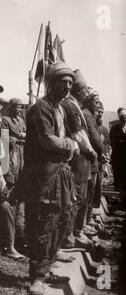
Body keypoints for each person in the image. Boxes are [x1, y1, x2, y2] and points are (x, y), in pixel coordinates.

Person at [24, 62, 79, 295]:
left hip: (61, 175)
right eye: (62, 82)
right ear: (51, 83)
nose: (67, 86)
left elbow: (66, 137)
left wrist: (69, 146)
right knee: (42, 225)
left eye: (70, 83)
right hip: (43, 176)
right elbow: (48, 140)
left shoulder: (60, 109)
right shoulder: (41, 108)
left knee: (61, 222)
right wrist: (71, 145)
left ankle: (47, 269)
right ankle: (37, 276)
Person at [60, 69, 97, 248]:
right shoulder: (70, 105)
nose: (85, 95)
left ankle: (73, 233)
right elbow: (78, 133)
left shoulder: (74, 105)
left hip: (82, 160)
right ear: (77, 91)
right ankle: (68, 236)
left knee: (80, 198)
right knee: (75, 199)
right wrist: (91, 151)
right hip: (77, 159)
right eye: (83, 92)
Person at [2, 98, 26, 248]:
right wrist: (20, 138)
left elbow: (27, 136)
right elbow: (4, 138)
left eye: (20, 107)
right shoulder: (5, 120)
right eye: (16, 107)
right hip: (10, 158)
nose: (18, 109)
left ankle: (20, 232)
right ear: (10, 107)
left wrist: (21, 138)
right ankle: (7, 235)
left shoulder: (21, 120)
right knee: (10, 195)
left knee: (20, 196)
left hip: (22, 158)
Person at [82, 88, 103, 231]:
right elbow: (96, 141)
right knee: (87, 193)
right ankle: (82, 225)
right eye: (95, 102)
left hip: (93, 159)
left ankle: (86, 221)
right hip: (90, 159)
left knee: (89, 193)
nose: (97, 105)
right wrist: (101, 151)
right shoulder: (87, 115)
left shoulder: (88, 114)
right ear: (89, 101)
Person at [93, 102, 110, 208]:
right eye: (98, 111)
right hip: (92, 160)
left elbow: (107, 144)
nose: (100, 114)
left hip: (101, 161)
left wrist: (107, 154)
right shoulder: (91, 127)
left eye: (102, 112)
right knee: (91, 186)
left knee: (99, 184)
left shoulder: (104, 129)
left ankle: (96, 206)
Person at [110, 107, 126, 210]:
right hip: (119, 159)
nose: (124, 119)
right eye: (122, 117)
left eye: (125, 117)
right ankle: (123, 202)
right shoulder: (115, 128)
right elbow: (112, 142)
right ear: (119, 117)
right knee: (121, 182)